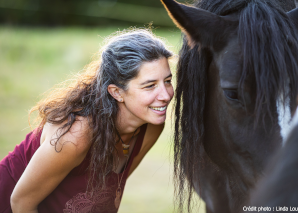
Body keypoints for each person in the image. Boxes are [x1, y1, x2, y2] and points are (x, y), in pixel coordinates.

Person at [0, 29, 174, 213]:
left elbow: (108, 191)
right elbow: (21, 202)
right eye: (150, 86)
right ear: (116, 92)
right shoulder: (75, 136)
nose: (165, 95)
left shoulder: (151, 128)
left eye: (168, 81)